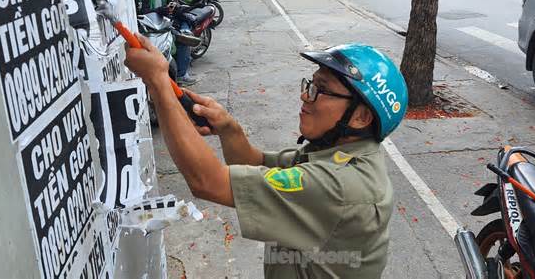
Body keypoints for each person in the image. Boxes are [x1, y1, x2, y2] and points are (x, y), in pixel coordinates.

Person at [124, 42, 408, 277]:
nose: (304, 95)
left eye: (319, 89)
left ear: (360, 117)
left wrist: (158, 83)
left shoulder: (340, 185)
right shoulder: (337, 154)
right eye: (310, 84)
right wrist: (227, 126)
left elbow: (208, 182)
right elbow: (253, 163)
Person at [134, 0, 197, 86]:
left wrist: (181, 12)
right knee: (180, 39)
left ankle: (181, 74)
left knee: (185, 37)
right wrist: (159, 11)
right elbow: (141, 13)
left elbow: (170, 5)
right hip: (148, 31)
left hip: (163, 26)